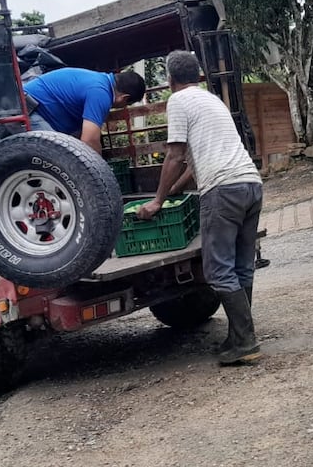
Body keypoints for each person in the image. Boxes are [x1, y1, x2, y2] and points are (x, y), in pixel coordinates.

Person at [138, 50, 263, 366]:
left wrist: (156, 200)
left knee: (218, 269)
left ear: (170, 78)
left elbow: (175, 155)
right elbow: (192, 167)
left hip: (223, 191)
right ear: (198, 75)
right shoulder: (211, 101)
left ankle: (246, 341)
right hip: (250, 184)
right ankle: (239, 337)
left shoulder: (178, 101)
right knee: (241, 266)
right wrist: (171, 194)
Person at [23, 67, 146, 154]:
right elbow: (90, 141)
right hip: (28, 108)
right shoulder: (101, 93)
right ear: (124, 98)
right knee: (56, 154)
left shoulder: (100, 82)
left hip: (33, 108)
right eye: (127, 104)